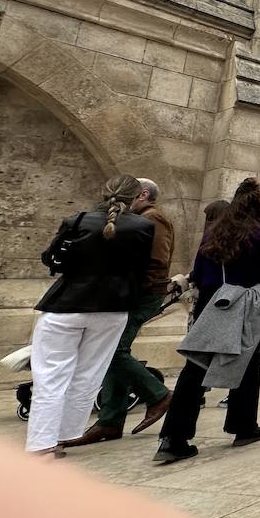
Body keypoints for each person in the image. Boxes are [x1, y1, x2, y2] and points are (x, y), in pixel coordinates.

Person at [28, 175, 153, 456]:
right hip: (113, 308)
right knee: (88, 375)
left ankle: (41, 444)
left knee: (51, 376)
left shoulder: (79, 219)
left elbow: (52, 258)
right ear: (136, 198)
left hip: (68, 303)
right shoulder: (144, 227)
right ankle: (64, 437)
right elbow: (142, 267)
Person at [156, 178, 260, 463]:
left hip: (211, 305)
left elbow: (198, 271)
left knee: (195, 368)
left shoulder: (215, 230)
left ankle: (173, 438)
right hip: (242, 306)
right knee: (248, 363)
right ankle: (243, 425)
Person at [62, 178, 175, 447]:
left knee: (113, 350)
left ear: (143, 195)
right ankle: (110, 421)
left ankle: (157, 395)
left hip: (142, 293)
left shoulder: (153, 219)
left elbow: (157, 259)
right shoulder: (137, 219)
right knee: (112, 350)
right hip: (127, 294)